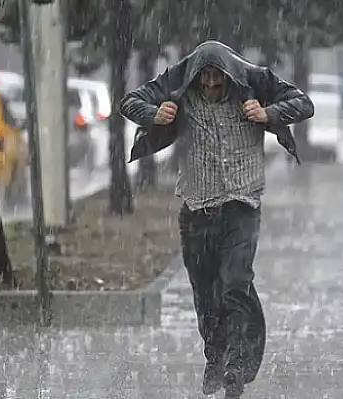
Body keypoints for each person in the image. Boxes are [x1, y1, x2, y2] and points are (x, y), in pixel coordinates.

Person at [120, 40, 314, 398]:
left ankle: (237, 368)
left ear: (229, 74)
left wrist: (268, 113)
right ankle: (216, 356)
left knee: (235, 283)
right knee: (207, 295)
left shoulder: (253, 80)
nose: (209, 84)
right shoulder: (179, 80)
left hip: (241, 205)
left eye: (216, 77)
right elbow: (128, 102)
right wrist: (154, 114)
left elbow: (304, 104)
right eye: (204, 78)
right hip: (196, 209)